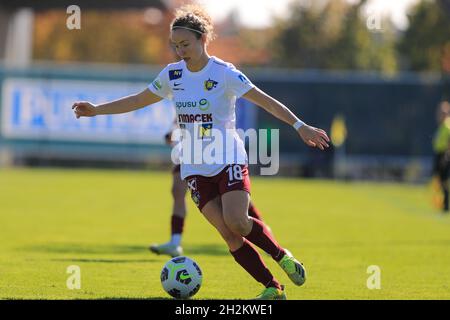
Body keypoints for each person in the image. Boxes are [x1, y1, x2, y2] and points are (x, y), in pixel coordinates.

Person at [72, 4, 330, 299]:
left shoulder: (224, 73)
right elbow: (137, 100)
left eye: (185, 44)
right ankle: (273, 288)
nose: (180, 50)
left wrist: (300, 126)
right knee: (228, 235)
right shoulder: (172, 75)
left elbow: (266, 101)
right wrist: (97, 110)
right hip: (194, 164)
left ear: (202, 38)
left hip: (227, 156)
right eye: (176, 45)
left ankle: (282, 256)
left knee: (238, 221)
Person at [149, 128, 269, 258]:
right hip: (188, 149)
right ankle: (175, 242)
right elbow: (181, 120)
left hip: (212, 148)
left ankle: (266, 236)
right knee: (177, 190)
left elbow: (208, 122)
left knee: (233, 199)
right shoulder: (179, 108)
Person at [432, 100, 450, 212]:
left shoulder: (448, 126)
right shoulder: (442, 126)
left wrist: (446, 157)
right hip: (439, 154)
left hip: (444, 155)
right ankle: (441, 202)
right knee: (439, 180)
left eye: (443, 112)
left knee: (444, 180)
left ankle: (445, 204)